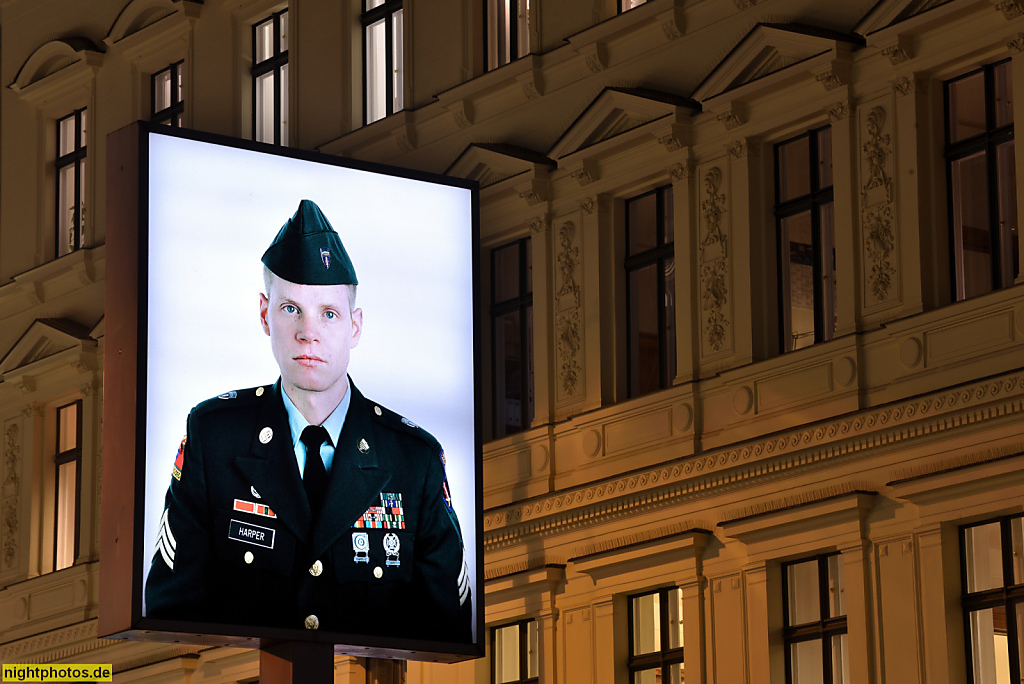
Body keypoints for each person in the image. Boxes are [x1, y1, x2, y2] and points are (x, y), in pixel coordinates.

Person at [144, 199, 472, 642]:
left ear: (355, 326)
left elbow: (447, 631)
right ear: (265, 314)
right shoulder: (214, 438)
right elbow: (170, 615)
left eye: (329, 313)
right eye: (290, 309)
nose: (307, 332)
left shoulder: (415, 460)